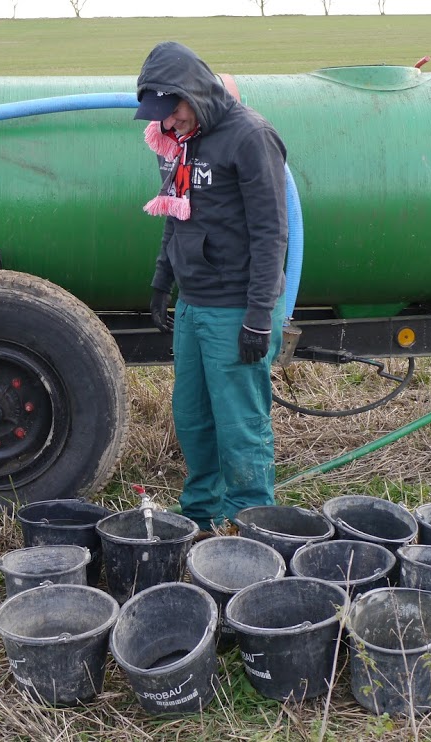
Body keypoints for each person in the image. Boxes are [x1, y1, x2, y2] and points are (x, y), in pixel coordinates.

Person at [135, 41, 288, 538]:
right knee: (193, 419)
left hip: (234, 308)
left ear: (195, 92)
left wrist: (258, 316)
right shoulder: (179, 140)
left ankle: (251, 526)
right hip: (193, 305)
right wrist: (163, 281)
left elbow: (271, 233)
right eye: (161, 114)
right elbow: (174, 212)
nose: (168, 122)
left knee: (239, 425)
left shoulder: (250, 137)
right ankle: (201, 516)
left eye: (173, 109)